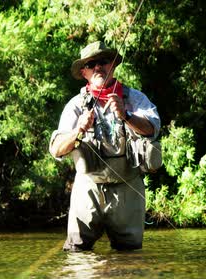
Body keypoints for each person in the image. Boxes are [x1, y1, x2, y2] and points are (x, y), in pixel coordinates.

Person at [49, 41, 161, 251]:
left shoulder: (135, 99)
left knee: (129, 259)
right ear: (84, 73)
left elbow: (153, 129)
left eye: (103, 61)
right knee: (77, 254)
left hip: (128, 188)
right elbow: (56, 149)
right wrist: (78, 131)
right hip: (88, 189)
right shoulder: (75, 106)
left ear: (113, 65)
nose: (98, 67)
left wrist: (127, 116)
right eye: (91, 64)